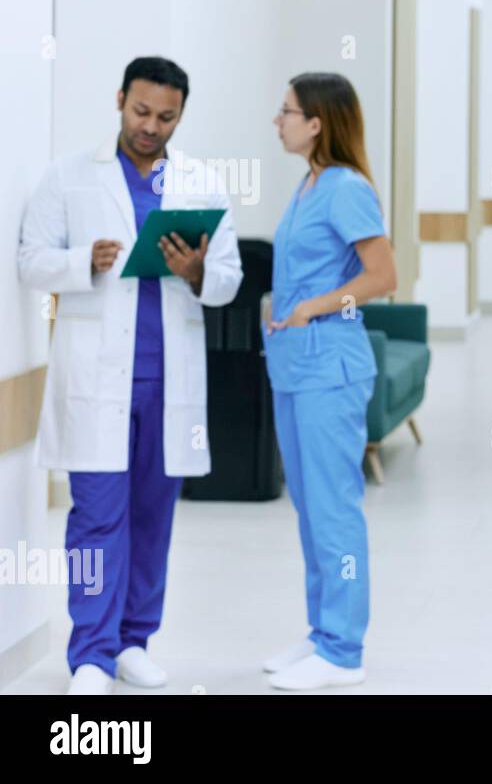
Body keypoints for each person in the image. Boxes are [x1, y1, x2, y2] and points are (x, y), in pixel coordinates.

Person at [18, 56, 243, 694]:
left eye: (165, 116)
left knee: (153, 518)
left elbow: (227, 279)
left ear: (181, 115)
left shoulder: (201, 182)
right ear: (120, 99)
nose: (150, 126)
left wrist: (198, 272)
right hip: (95, 382)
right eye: (141, 111)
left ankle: (134, 642)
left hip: (169, 385)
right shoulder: (68, 177)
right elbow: (31, 260)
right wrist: (80, 262)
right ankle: (90, 652)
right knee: (95, 521)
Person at [261, 72, 396, 691]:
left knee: (334, 507)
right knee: (310, 506)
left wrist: (314, 306)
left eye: (287, 111)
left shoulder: (344, 187)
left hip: (330, 369)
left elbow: (383, 275)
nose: (278, 120)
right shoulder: (309, 183)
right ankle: (321, 634)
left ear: (317, 122)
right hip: (295, 366)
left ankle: (343, 652)